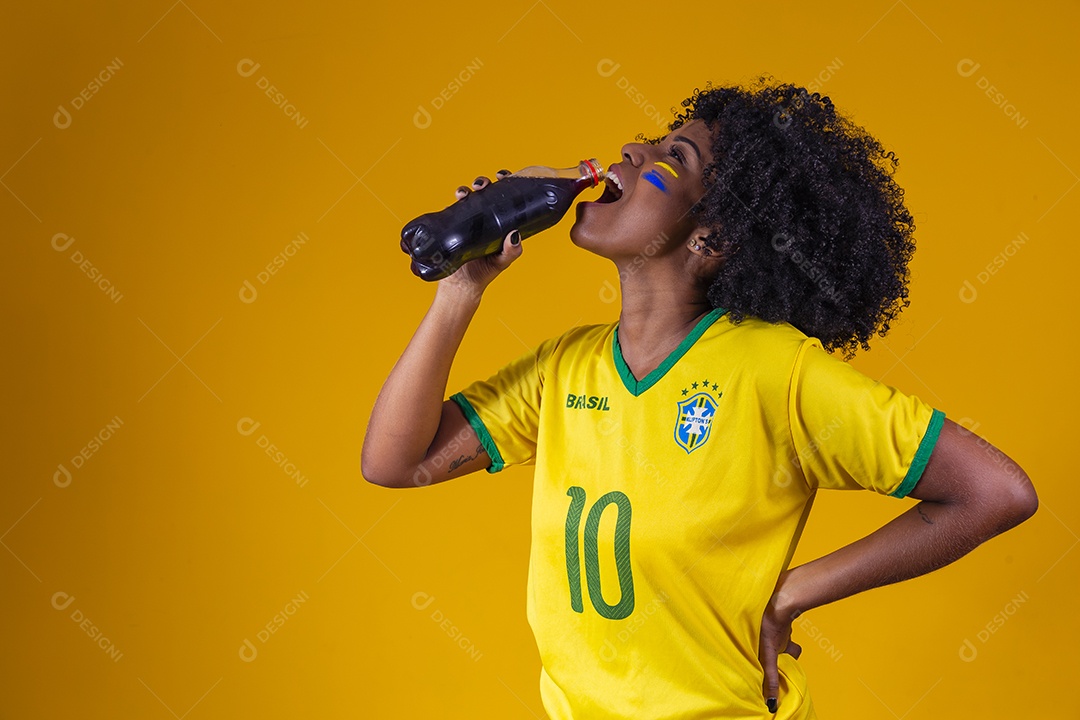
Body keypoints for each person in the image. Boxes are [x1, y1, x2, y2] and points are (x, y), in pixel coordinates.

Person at [362, 75, 1039, 719]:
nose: (633, 149)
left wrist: (791, 595)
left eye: (672, 156)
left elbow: (995, 490)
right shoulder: (566, 366)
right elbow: (397, 461)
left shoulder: (775, 371)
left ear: (711, 237)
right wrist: (462, 287)